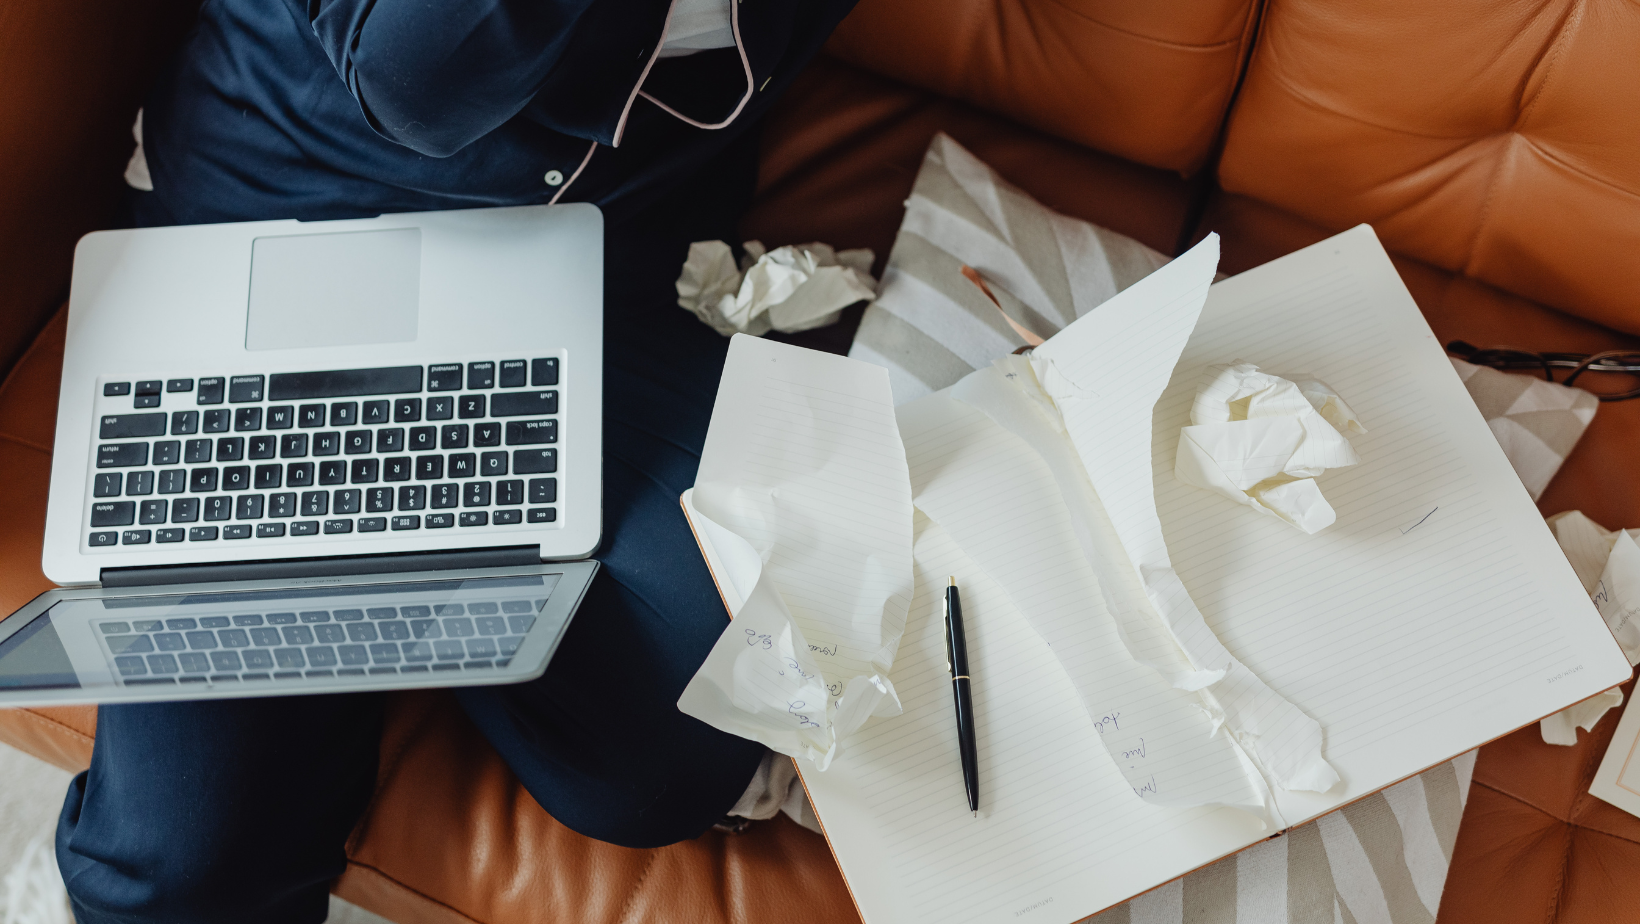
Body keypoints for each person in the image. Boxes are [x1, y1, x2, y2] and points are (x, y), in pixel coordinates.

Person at [55, 1, 857, 921]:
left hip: (583, 270)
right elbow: (425, 78)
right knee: (185, 863)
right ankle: (360, 574)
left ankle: (385, 561)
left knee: (676, 756)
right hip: (278, 225)